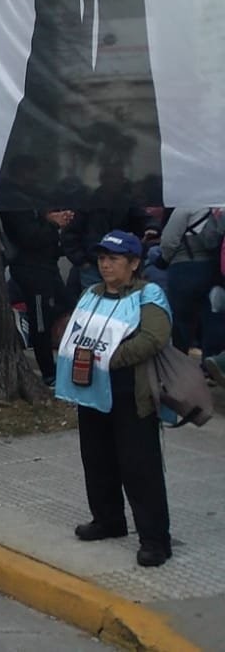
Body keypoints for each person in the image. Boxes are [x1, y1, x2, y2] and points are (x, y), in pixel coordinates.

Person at [55, 231, 174, 568]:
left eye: (114, 259)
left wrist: (110, 358)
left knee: (140, 468)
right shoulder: (91, 293)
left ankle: (155, 540)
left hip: (130, 394)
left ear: (134, 263)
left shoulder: (149, 295)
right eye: (102, 258)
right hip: (91, 392)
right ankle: (108, 520)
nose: (105, 264)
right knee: (97, 459)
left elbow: (154, 337)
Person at [1, 209, 76, 385]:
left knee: (69, 306)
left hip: (48, 266)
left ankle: (60, 364)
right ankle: (48, 372)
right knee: (40, 322)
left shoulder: (37, 199)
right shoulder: (16, 204)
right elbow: (28, 237)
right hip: (30, 269)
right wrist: (51, 222)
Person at [158, 208, 221, 356]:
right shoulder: (220, 206)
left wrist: (164, 259)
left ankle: (178, 364)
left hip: (184, 269)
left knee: (181, 322)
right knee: (213, 320)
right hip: (215, 270)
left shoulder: (186, 206)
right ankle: (211, 367)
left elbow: (169, 241)